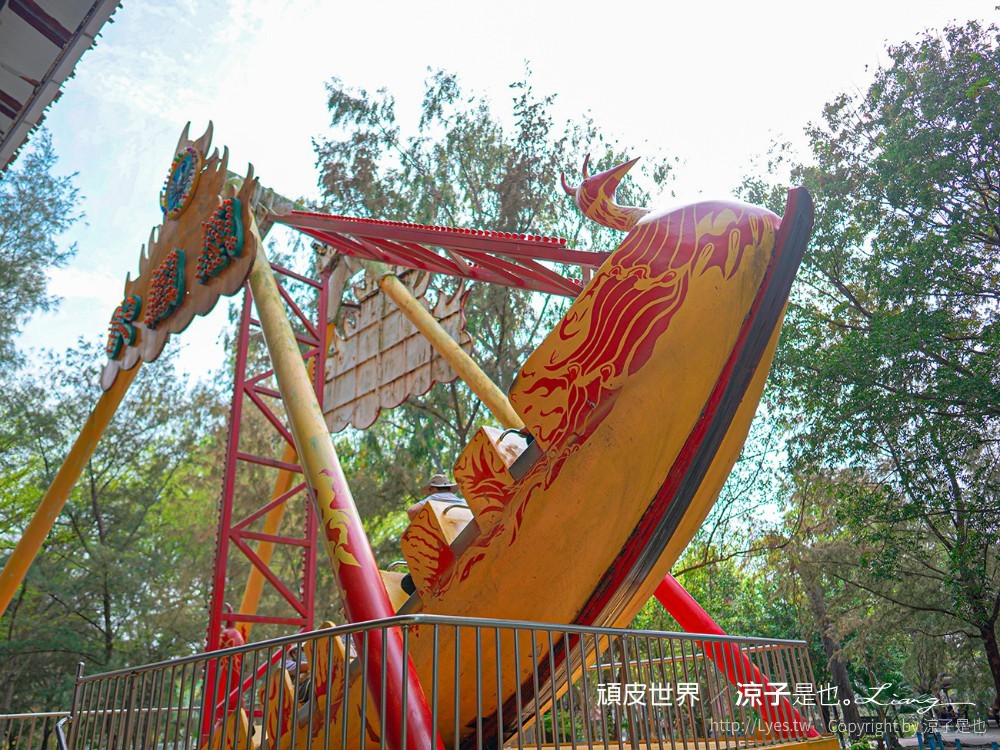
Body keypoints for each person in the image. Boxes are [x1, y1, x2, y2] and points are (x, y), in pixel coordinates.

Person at [400, 474, 467, 595]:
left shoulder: (434, 498)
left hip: (444, 552)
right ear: (449, 489)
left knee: (407, 583)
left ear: (432, 489)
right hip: (466, 542)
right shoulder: (462, 503)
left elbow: (412, 511)